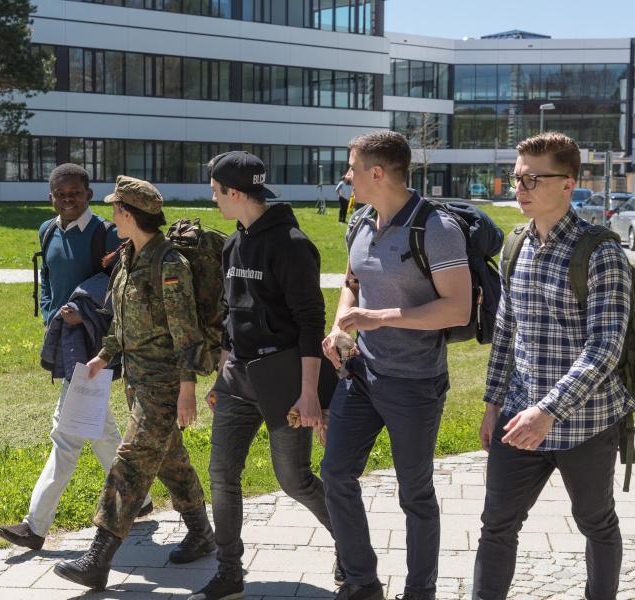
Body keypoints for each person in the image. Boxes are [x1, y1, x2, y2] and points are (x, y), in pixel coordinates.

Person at [472, 133, 634, 600]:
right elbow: (506, 331)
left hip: (585, 422)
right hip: (518, 417)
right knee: (496, 525)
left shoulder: (601, 253)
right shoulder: (516, 245)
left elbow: (604, 348)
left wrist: (548, 412)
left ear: (568, 184)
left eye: (532, 178)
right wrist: (492, 404)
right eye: (517, 177)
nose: (519, 187)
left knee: (596, 522)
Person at [321, 131, 471, 600]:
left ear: (377, 173)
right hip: (362, 374)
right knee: (335, 473)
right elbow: (352, 279)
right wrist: (342, 325)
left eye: (352, 167)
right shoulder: (361, 220)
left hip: (415, 384)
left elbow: (458, 309)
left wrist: (376, 318)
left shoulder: (436, 228)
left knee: (415, 494)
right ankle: (362, 580)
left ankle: (420, 590)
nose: (347, 176)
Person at [52, 175, 215, 590]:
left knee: (130, 461)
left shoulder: (169, 264)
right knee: (167, 458)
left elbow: (186, 332)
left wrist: (187, 387)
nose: (111, 215)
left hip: (164, 382)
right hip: (136, 380)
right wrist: (104, 354)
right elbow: (122, 320)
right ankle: (201, 531)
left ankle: (98, 557)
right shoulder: (128, 257)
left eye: (115, 208)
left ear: (128, 213)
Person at [189, 151, 337, 600]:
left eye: (216, 193)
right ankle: (229, 571)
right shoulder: (235, 243)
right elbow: (233, 316)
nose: (214, 201)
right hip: (237, 380)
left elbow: (312, 323)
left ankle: (351, 543)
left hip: (284, 380)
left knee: (293, 479)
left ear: (234, 192)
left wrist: (310, 395)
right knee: (222, 474)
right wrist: (221, 374)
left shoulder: (292, 244)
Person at [0, 164, 151, 552]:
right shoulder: (47, 231)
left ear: (89, 194)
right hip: (62, 334)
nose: (68, 200)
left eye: (75, 194)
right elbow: (47, 278)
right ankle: (140, 498)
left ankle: (35, 526)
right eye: (61, 195)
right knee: (100, 428)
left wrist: (84, 313)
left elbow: (119, 284)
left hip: (92, 340)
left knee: (65, 435)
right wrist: (50, 312)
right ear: (51, 198)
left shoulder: (104, 233)